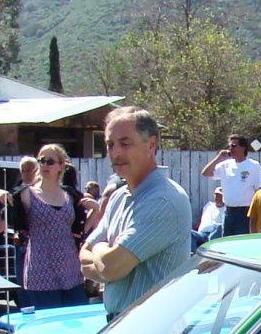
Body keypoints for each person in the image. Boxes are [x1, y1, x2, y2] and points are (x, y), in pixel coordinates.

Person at [81, 107, 193, 319]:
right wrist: (108, 263)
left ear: (151, 144)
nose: (115, 153)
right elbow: (84, 259)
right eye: (110, 145)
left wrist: (103, 252)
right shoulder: (118, 197)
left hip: (153, 331)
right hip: (122, 324)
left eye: (125, 143)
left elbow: (110, 267)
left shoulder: (162, 201)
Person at [0, 145, 88, 310]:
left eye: (50, 161)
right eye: (41, 161)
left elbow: (83, 229)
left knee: (77, 322)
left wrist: (96, 210)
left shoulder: (70, 196)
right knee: (48, 327)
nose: (45, 165)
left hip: (70, 271)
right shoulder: (26, 194)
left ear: (61, 167)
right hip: (41, 271)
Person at [200, 134, 261, 237]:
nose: (230, 149)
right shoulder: (225, 165)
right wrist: (218, 158)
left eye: (233, 146)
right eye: (229, 146)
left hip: (245, 212)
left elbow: (259, 190)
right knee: (226, 243)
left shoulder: (253, 165)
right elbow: (206, 173)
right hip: (228, 212)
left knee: (242, 242)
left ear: (243, 148)